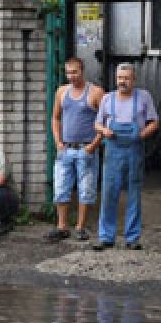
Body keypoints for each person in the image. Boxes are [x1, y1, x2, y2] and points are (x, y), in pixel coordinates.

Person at [92, 63, 159, 251]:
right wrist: (104, 130)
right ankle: (106, 237)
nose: (123, 81)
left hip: (134, 150)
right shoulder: (107, 99)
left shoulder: (144, 97)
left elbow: (154, 122)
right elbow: (97, 124)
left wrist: (141, 135)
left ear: (134, 79)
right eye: (120, 78)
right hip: (112, 151)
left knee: (134, 194)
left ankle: (132, 238)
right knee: (108, 193)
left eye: (126, 78)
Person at [46, 57, 104, 242]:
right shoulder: (62, 91)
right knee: (61, 187)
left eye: (74, 72)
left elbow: (106, 120)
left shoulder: (95, 92)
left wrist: (94, 144)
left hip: (86, 148)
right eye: (68, 72)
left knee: (86, 190)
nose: (71, 76)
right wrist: (58, 141)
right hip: (66, 148)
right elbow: (55, 117)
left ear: (82, 71)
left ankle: (81, 227)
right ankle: (62, 226)